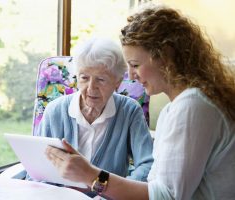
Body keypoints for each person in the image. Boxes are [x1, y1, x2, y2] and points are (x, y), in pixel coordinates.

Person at [45, 5, 235, 200]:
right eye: (84, 77)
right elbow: (155, 186)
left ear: (165, 58)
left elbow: (166, 196)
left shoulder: (193, 106)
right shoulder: (175, 109)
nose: (131, 75)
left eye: (135, 65)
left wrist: (91, 175)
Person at [37, 37, 153, 183]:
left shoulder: (129, 111)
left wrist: (118, 192)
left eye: (101, 79)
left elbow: (147, 164)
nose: (91, 88)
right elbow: (38, 169)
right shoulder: (54, 111)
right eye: (84, 78)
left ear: (117, 82)